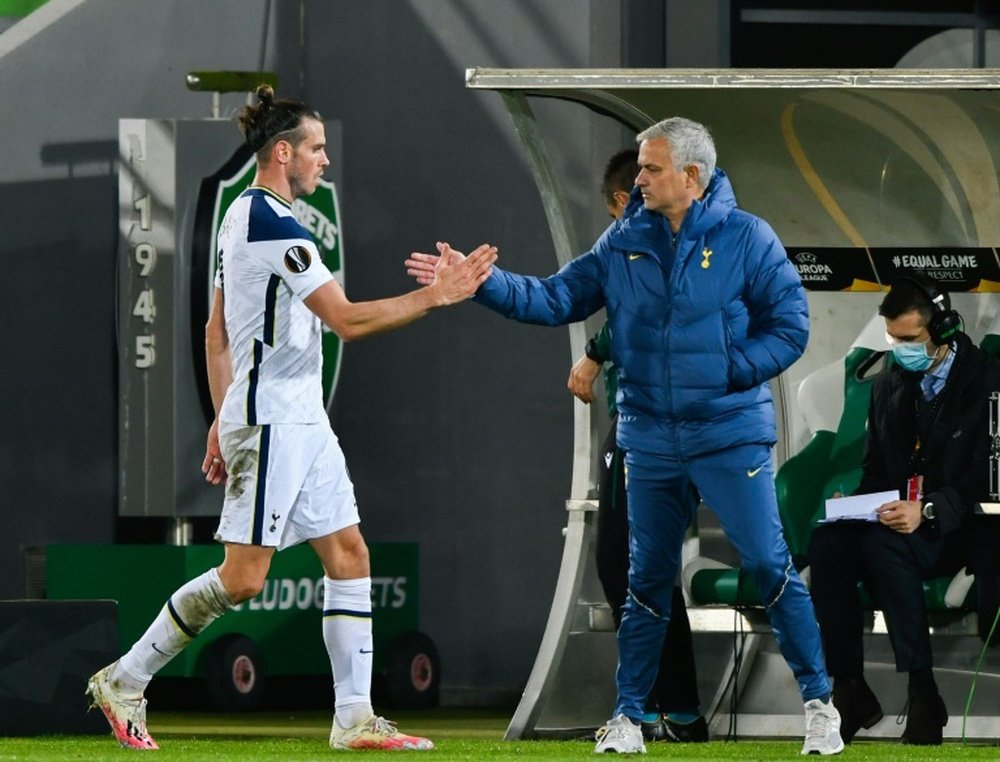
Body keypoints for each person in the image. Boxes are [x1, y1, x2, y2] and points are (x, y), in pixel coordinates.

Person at [406, 117, 843, 755]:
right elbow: (556, 298)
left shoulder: (749, 238)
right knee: (645, 581)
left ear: (691, 177)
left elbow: (790, 326)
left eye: (650, 168)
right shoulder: (623, 240)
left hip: (727, 435)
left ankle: (819, 707)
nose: (636, 179)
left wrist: (729, 371)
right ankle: (630, 718)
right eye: (639, 168)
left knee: (772, 567)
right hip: (650, 440)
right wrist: (484, 284)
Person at [86, 84, 496, 751]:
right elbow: (346, 320)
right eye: (317, 148)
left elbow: (218, 331)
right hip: (275, 421)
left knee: (349, 554)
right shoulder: (269, 222)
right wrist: (437, 296)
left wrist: (221, 418)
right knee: (245, 578)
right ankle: (127, 678)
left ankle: (354, 718)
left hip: (297, 419)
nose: (325, 161)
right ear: (283, 153)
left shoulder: (251, 218)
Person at [808, 275, 1000, 746]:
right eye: (894, 339)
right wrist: (855, 505)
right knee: (828, 543)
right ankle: (849, 686)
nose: (900, 349)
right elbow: (878, 470)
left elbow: (989, 478)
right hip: (899, 522)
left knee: (883, 543)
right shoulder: (888, 385)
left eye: (911, 339)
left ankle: (922, 688)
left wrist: (928, 510)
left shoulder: (988, 382)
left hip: (964, 526)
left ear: (944, 330)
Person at [567, 149, 707, 743]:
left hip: (654, 422)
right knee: (635, 564)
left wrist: (595, 353)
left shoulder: (660, 243)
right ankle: (670, 708)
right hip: (647, 416)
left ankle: (660, 708)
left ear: (626, 202)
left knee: (626, 562)